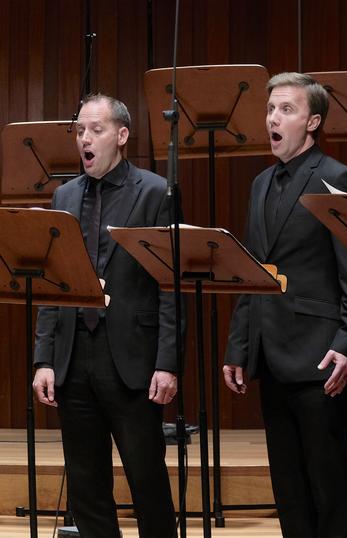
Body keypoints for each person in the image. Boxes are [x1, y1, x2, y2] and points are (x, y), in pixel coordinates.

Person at [222, 72, 347, 538]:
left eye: (285, 110)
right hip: (271, 350)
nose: (273, 118)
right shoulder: (261, 183)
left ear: (313, 122)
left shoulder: (336, 177)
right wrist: (238, 345)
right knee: (288, 483)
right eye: (270, 110)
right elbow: (253, 269)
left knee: (328, 482)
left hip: (320, 354)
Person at [32, 94, 180, 538]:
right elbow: (52, 280)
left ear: (121, 135)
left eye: (95, 129)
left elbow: (170, 284)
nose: (85, 139)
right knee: (85, 483)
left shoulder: (155, 191)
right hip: (75, 357)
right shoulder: (65, 194)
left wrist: (167, 362)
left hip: (131, 357)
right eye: (79, 130)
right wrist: (44, 357)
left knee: (146, 479)